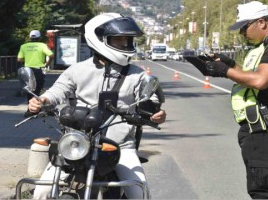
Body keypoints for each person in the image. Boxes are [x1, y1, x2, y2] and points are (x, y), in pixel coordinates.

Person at [27, 13, 166, 199]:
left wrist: (156, 114)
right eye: (118, 40)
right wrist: (41, 101)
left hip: (120, 146)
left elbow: (151, 104)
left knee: (139, 192)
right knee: (42, 191)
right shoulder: (77, 70)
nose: (125, 44)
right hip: (77, 142)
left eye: (127, 40)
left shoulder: (137, 75)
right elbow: (57, 91)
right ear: (100, 40)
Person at [205, 1, 268, 199]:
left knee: (266, 192)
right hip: (257, 127)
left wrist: (225, 71)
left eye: (244, 27)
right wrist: (229, 64)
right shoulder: (260, 48)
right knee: (260, 190)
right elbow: (251, 75)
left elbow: (260, 81)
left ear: (262, 22)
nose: (242, 33)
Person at [17, 30, 54, 117]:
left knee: (29, 90)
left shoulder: (23, 46)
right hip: (38, 70)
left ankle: (32, 109)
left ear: (30, 37)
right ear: (39, 37)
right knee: (37, 90)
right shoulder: (42, 45)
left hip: (27, 71)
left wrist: (26, 60)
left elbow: (19, 59)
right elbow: (51, 55)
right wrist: (47, 64)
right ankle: (33, 110)